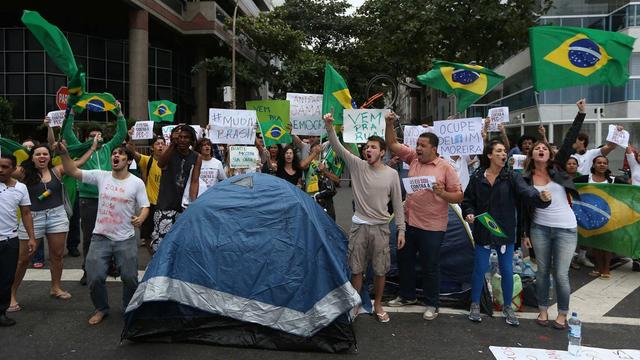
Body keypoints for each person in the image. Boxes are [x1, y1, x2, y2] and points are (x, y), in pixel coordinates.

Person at [323, 112, 405, 323]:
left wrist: (401, 229)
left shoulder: (392, 174)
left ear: (383, 152)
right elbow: (337, 147)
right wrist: (329, 126)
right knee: (356, 269)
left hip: (381, 228)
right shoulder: (357, 166)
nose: (368, 149)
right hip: (359, 227)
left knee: (380, 270)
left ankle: (377, 304)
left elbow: (397, 202)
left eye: (373, 147)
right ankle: (355, 303)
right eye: (366, 146)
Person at [57, 142, 149, 325]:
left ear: (129, 160)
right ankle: (101, 308)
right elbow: (72, 171)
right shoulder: (101, 176)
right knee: (95, 277)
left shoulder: (136, 182)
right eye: (114, 153)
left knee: (130, 278)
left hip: (126, 238)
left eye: (121, 154)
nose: (115, 155)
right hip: (100, 237)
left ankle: (128, 308)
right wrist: (64, 154)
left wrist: (141, 218)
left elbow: (145, 206)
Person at [383, 112, 463, 321]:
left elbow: (459, 196)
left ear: (434, 149)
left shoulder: (446, 168)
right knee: (405, 260)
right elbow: (392, 144)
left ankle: (432, 303)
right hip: (409, 222)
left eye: (422, 145)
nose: (418, 148)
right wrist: (389, 123)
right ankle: (407, 295)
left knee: (430, 265)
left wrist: (442, 193)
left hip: (433, 227)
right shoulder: (412, 159)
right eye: (417, 144)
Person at [462, 140, 551, 326]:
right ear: (489, 155)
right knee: (479, 269)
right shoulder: (478, 176)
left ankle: (508, 307)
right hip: (483, 229)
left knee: (507, 270)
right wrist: (469, 212)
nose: (504, 154)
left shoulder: (511, 177)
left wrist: (540, 197)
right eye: (499, 151)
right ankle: (475, 304)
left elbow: (527, 192)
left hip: (505, 231)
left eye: (505, 151)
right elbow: (468, 200)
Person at [519, 100, 590, 329]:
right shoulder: (525, 178)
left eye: (544, 148)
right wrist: (524, 233)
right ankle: (542, 311)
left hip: (566, 229)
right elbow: (522, 206)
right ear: (531, 154)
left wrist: (580, 114)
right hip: (539, 229)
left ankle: (562, 314)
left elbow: (570, 139)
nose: (540, 150)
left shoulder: (558, 168)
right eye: (536, 148)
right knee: (542, 274)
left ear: (550, 154)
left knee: (560, 275)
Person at [9, 140, 96, 312]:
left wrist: (92, 148)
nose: (42, 156)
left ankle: (56, 287)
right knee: (23, 259)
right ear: (32, 158)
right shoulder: (23, 172)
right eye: (38, 154)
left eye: (45, 154)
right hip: (32, 218)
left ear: (50, 157)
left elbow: (79, 163)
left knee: (57, 256)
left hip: (57, 216)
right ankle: (11, 294)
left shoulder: (58, 170)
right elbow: (4, 169)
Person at [62, 103, 128, 285]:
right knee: (90, 236)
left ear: (102, 137)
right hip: (88, 200)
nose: (94, 138)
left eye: (97, 135)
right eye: (91, 135)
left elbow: (121, 134)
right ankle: (87, 269)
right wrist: (72, 113)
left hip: (110, 198)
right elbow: (67, 134)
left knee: (113, 234)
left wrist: (119, 113)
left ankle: (111, 265)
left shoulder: (108, 148)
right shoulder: (82, 148)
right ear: (86, 138)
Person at [574, 155, 626, 279]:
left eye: (604, 163)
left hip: (609, 216)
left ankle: (606, 269)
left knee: (607, 243)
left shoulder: (613, 180)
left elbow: (627, 190)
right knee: (596, 243)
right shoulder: (586, 179)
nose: (602, 165)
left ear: (607, 165)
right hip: (590, 216)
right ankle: (598, 267)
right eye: (599, 163)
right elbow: (570, 185)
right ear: (594, 165)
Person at [0, 153, 36, 326]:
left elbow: (26, 213)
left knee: (7, 278)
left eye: (5, 166)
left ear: (14, 169)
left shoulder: (21, 188)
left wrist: (31, 237)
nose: (1, 169)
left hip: (10, 240)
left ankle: (2, 312)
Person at [152, 125, 198, 253]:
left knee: (181, 246)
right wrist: (172, 143)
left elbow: (195, 181)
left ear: (191, 139)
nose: (183, 140)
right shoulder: (170, 151)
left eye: (186, 137)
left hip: (184, 207)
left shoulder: (196, 156)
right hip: (165, 206)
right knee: (162, 246)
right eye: (180, 137)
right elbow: (161, 164)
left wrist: (193, 203)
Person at [126, 135, 165, 254]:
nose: (160, 146)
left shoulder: (171, 162)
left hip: (166, 204)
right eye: (157, 144)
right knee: (147, 235)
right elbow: (131, 151)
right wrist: (132, 138)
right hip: (150, 204)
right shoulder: (147, 161)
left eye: (162, 144)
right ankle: (153, 258)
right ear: (152, 147)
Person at [185, 138, 227, 206]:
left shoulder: (217, 163)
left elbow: (223, 180)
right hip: (198, 198)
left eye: (208, 145)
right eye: (204, 145)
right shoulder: (195, 163)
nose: (207, 147)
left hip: (212, 199)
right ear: (199, 148)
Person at [625, 146, 640, 272]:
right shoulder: (634, 165)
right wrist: (621, 132)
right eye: (639, 155)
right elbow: (628, 149)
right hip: (635, 205)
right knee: (635, 233)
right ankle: (636, 260)